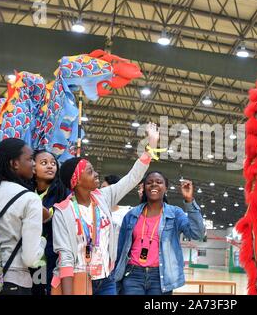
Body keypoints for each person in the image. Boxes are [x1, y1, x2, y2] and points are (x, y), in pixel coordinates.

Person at [51, 122, 159, 295]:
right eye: (90, 171)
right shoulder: (63, 211)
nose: (96, 174)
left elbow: (132, 178)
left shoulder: (103, 197)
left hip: (106, 279)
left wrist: (150, 147)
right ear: (76, 180)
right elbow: (65, 257)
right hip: (78, 279)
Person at [114, 172, 205, 295]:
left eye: (159, 182)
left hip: (161, 277)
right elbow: (121, 249)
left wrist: (189, 200)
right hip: (133, 275)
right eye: (149, 183)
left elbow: (197, 233)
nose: (154, 185)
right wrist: (116, 276)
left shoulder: (175, 214)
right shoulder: (131, 215)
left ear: (166, 188)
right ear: (144, 187)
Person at [0, 138, 46, 295]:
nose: (34, 164)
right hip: (14, 282)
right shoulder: (29, 199)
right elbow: (30, 259)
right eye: (29, 159)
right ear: (14, 163)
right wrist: (42, 242)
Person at [30, 150, 69, 295]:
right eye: (44, 163)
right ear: (33, 168)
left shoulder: (63, 192)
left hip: (48, 258)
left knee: (40, 290)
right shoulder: (25, 190)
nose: (50, 166)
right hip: (23, 255)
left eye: (53, 163)